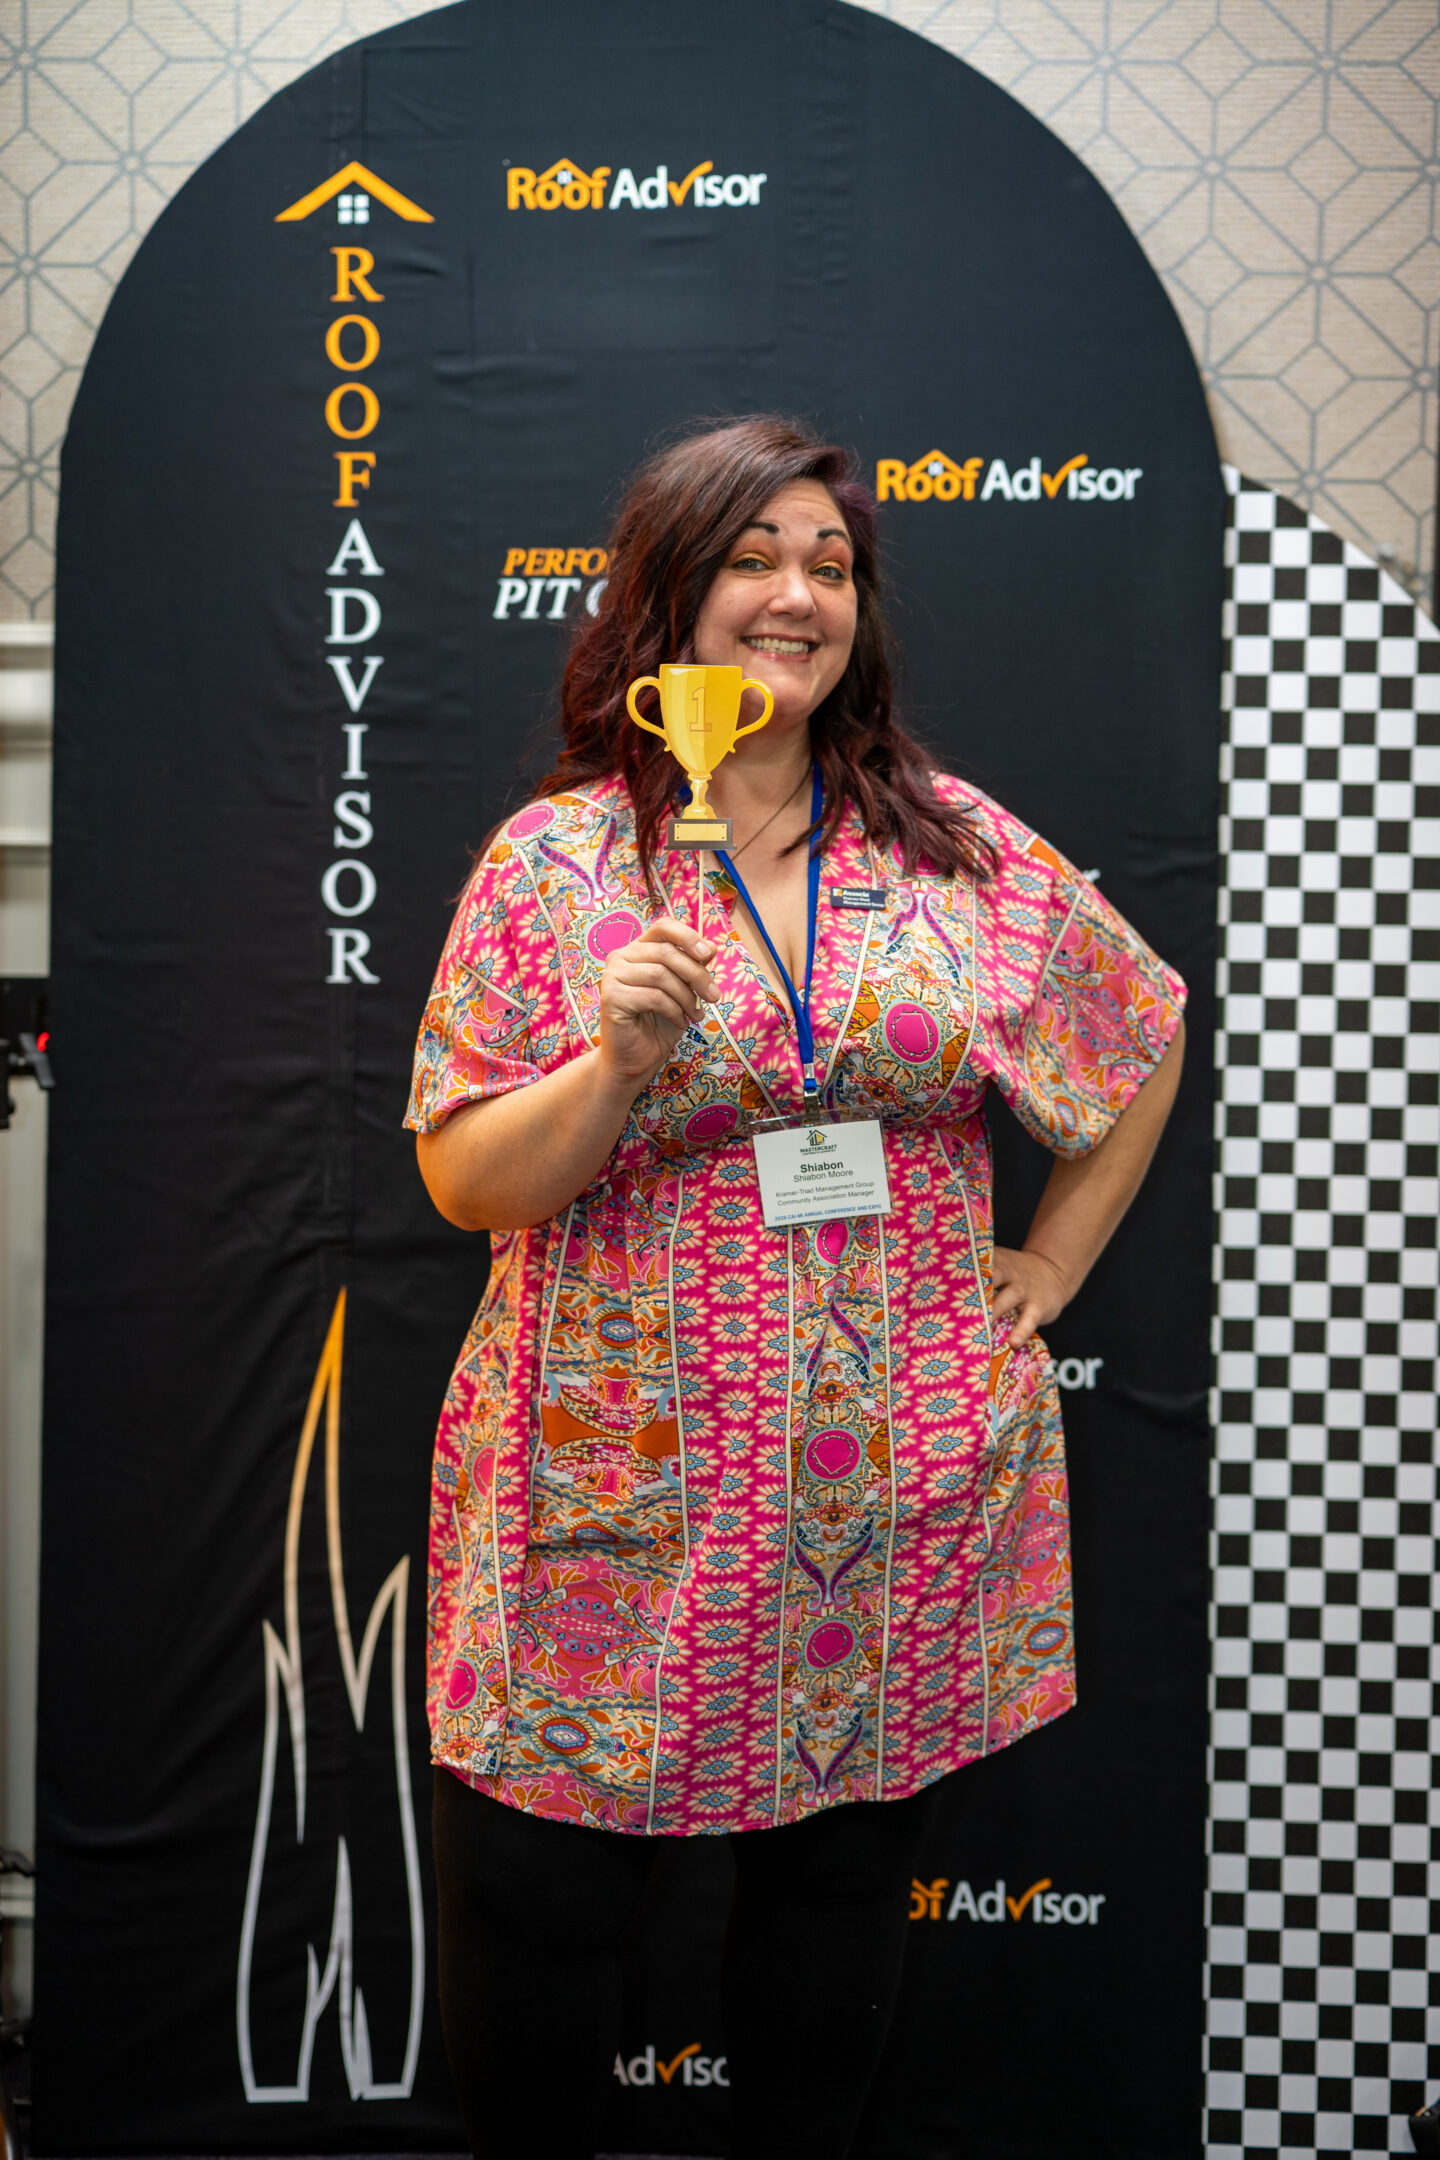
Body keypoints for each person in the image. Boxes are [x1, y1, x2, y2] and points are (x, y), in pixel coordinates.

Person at [406, 415, 1186, 2159]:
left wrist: (1049, 1261)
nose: (797, 594)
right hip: (606, 1487)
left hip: (879, 1497)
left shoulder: (950, 850)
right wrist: (611, 1063)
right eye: (754, 556)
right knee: (540, 1906)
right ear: (667, 597)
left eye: (829, 566)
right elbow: (462, 1177)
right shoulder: (558, 867)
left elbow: (1137, 1038)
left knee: (831, 1918)